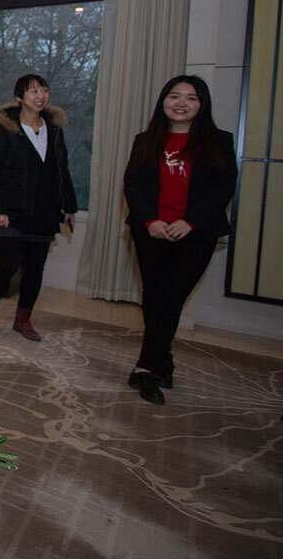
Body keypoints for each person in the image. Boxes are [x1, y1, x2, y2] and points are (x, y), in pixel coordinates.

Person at [123, 75, 236, 405]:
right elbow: (133, 184)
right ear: (164, 101)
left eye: (191, 97)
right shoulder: (145, 141)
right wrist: (150, 221)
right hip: (151, 231)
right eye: (174, 96)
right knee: (154, 297)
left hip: (195, 234)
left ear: (202, 104)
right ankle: (163, 359)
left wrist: (190, 221)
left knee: (171, 298)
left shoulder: (219, 141)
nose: (181, 103)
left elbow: (224, 188)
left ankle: (145, 367)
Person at [0, 74, 77, 341]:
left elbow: (62, 169)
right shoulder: (5, 128)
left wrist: (68, 206)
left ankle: (23, 319)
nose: (40, 96)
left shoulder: (54, 129)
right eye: (33, 91)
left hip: (43, 210)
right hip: (11, 210)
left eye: (44, 90)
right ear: (19, 97)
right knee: (8, 263)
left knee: (35, 268)